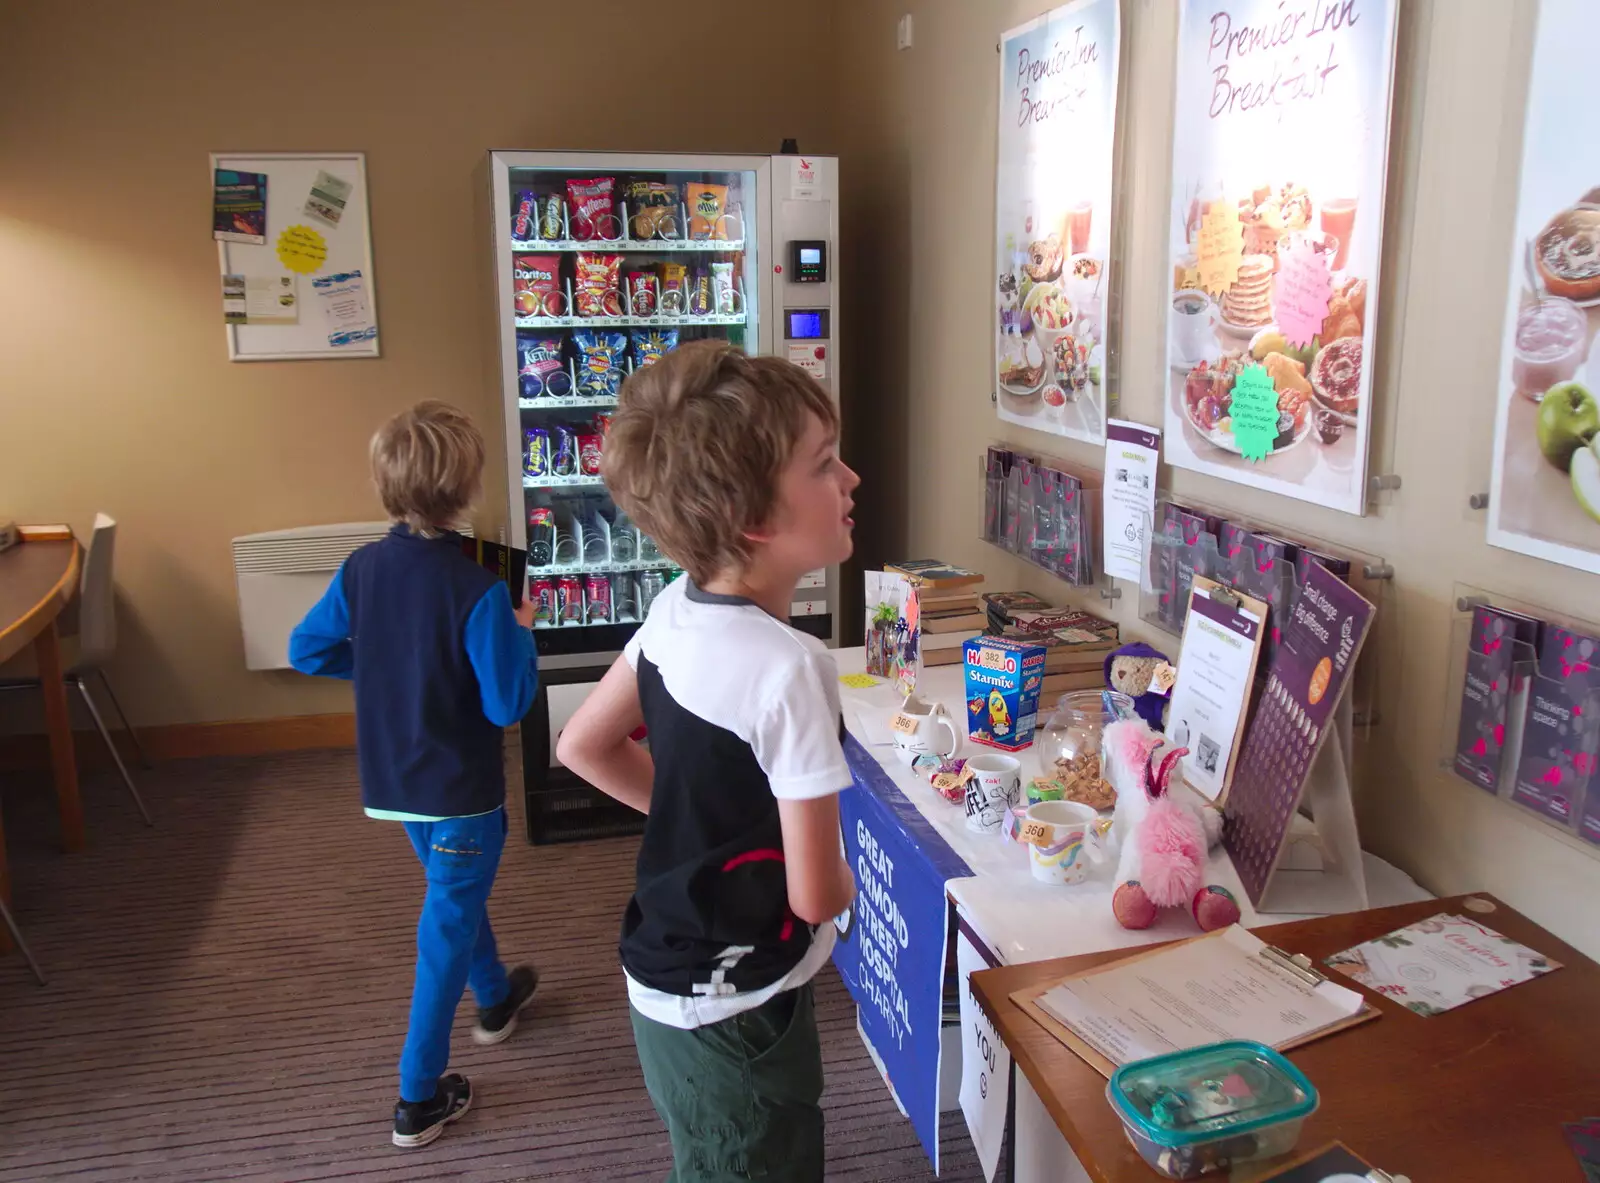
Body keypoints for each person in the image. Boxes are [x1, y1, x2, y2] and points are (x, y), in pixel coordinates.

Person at [558, 341, 860, 1182]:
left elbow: (581, 743)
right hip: (741, 1004)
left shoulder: (672, 607)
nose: (852, 481)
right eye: (825, 464)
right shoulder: (792, 666)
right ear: (753, 518)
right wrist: (853, 875)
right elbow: (815, 892)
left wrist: (698, 825)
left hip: (668, 978)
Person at [288, 400, 541, 1149]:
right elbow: (507, 703)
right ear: (468, 487)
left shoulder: (361, 566)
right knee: (443, 928)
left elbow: (308, 650)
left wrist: (385, 674)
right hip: (461, 790)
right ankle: (417, 1096)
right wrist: (521, 635)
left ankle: (495, 997)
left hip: (393, 787)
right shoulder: (483, 585)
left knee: (453, 898)